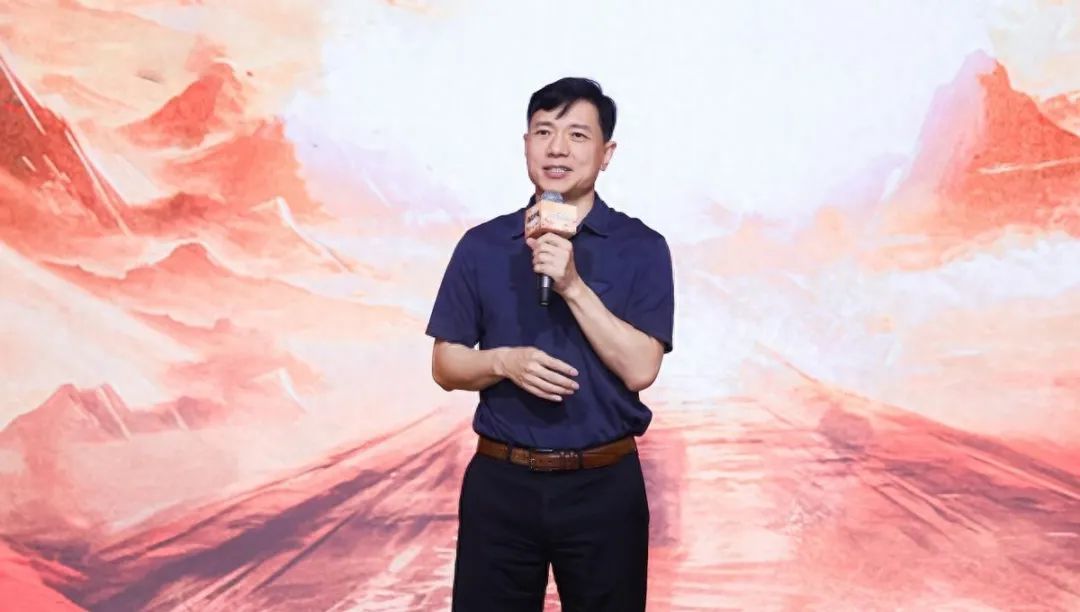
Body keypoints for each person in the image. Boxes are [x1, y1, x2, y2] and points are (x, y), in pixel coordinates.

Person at [425, 76, 675, 612]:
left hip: (603, 486)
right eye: (543, 132)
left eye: (577, 135)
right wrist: (503, 362)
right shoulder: (482, 245)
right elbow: (445, 364)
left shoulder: (642, 248)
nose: (557, 148)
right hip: (501, 484)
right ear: (526, 145)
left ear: (606, 154)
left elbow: (641, 369)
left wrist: (573, 286)